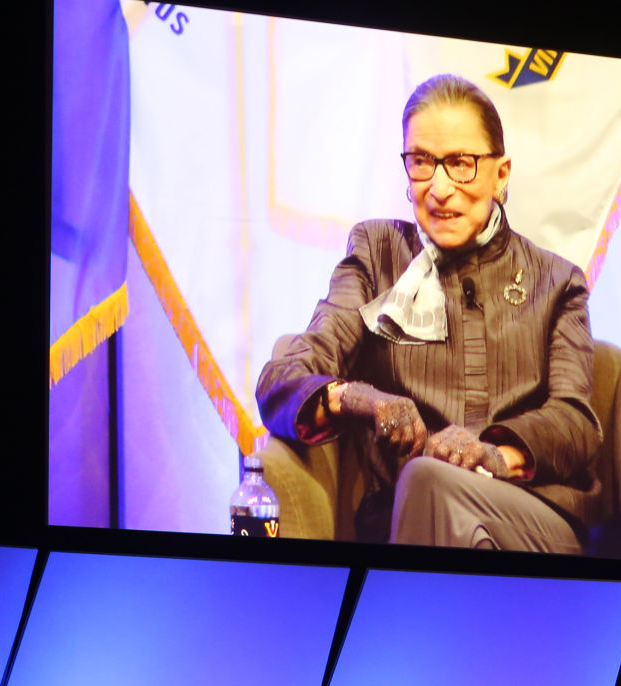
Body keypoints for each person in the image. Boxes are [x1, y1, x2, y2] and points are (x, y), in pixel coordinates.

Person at [257, 74, 601, 551]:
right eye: (421, 161)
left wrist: (492, 456)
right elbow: (282, 377)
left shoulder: (557, 281)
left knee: (431, 481)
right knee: (425, 482)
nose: (438, 188)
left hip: (527, 516)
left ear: (501, 175)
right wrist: (364, 399)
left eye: (460, 163)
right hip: (407, 514)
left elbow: (575, 422)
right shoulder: (378, 255)